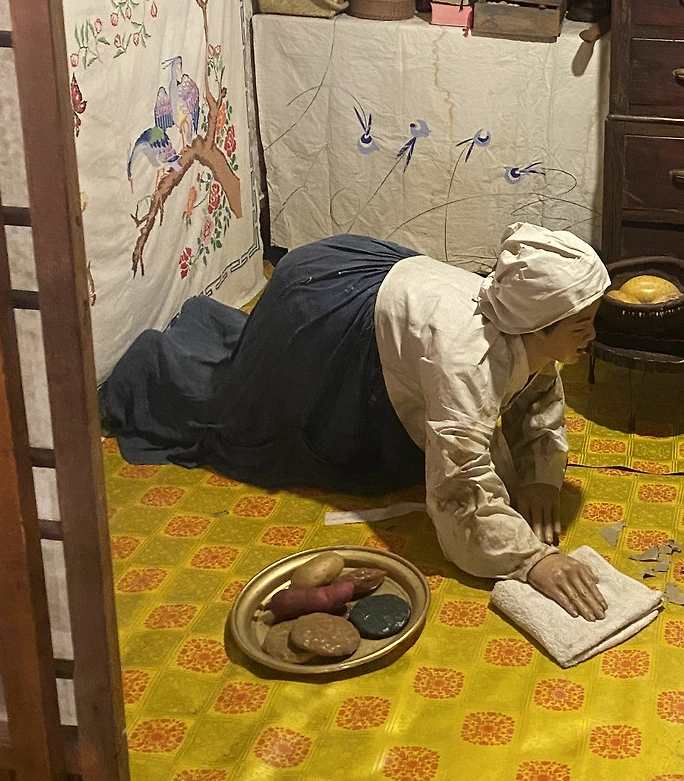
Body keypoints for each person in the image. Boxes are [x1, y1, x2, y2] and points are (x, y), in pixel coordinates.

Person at [99, 225, 610, 620]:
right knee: (252, 417)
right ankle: (151, 370)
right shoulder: (466, 361)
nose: (592, 336)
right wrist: (530, 560)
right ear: (537, 327)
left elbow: (536, 386)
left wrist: (540, 476)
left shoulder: (524, 321)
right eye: (581, 325)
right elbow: (459, 486)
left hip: (362, 269)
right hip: (323, 305)